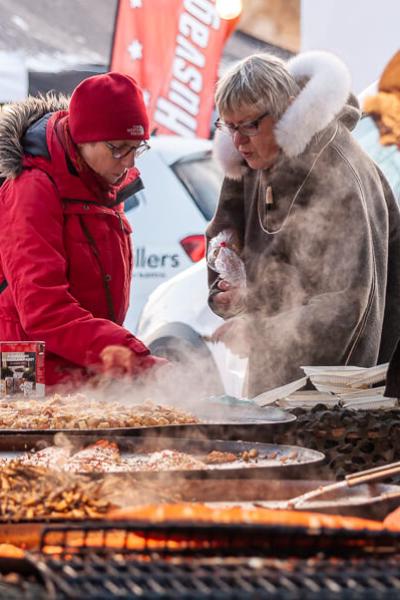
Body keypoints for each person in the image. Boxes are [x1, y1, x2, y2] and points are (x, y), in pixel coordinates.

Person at [207, 51, 400, 398]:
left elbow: (347, 304)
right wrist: (230, 278)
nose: (238, 141)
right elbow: (224, 233)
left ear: (288, 111)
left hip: (342, 388)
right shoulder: (248, 160)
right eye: (229, 127)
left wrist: (260, 334)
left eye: (249, 125)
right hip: (275, 380)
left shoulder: (340, 174)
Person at [0, 72, 166, 388]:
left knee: (96, 438)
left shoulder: (102, 181)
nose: (128, 162)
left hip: (81, 361)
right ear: (82, 137)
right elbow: (43, 311)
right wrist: (132, 358)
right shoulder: (32, 188)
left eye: (136, 148)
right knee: (34, 437)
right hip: (23, 363)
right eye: (118, 148)